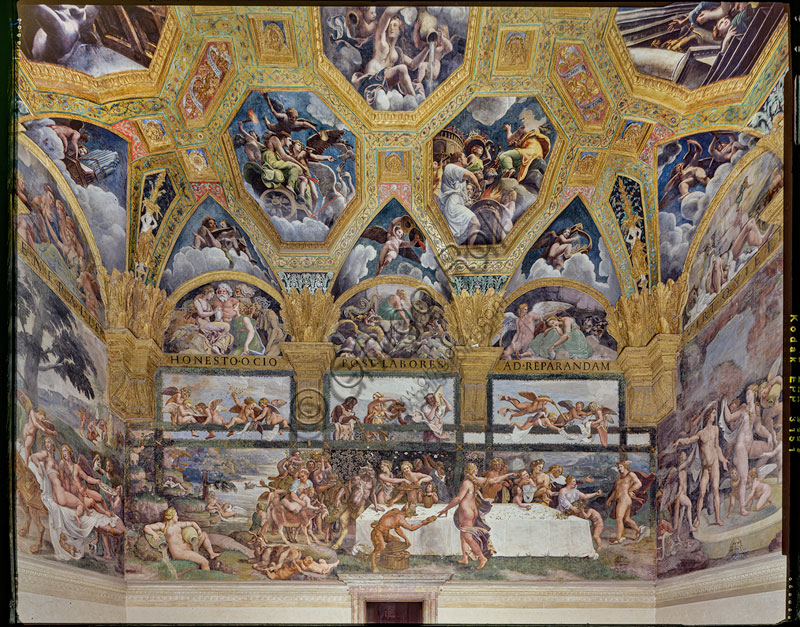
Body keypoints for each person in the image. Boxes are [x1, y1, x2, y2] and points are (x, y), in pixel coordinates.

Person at [437, 462, 517, 569]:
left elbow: (458, 499)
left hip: (466, 513)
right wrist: (508, 475)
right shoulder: (477, 481)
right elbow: (495, 480)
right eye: (476, 470)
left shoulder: (467, 483)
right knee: (463, 535)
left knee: (468, 537)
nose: (477, 471)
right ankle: (465, 558)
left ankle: (482, 557)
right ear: (474, 471)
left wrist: (445, 509)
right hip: (472, 511)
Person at [350, 7, 430, 103]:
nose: (391, 28)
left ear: (400, 31)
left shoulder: (397, 52)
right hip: (372, 79)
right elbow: (387, 14)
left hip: (384, 83)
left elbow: (413, 65)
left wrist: (427, 49)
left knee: (404, 71)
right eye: (390, 25)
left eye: (395, 25)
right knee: (402, 69)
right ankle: (414, 100)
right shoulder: (381, 42)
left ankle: (413, 102)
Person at [144, 508, 221, 571]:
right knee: (205, 562)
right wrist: (154, 534)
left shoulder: (178, 524)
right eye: (176, 515)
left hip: (188, 547)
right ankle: (205, 583)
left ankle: (211, 553)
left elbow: (193, 523)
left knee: (204, 534)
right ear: (171, 516)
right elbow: (146, 527)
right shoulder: (162, 526)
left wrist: (199, 530)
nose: (177, 517)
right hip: (179, 552)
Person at [369, 502, 437, 572]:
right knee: (381, 547)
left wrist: (405, 538)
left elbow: (397, 528)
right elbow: (411, 528)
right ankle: (373, 564)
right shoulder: (401, 519)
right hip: (377, 532)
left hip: (385, 533)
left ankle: (386, 557)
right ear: (408, 513)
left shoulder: (395, 510)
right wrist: (422, 523)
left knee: (397, 540)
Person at [438, 152, 481, 245]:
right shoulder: (451, 167)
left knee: (467, 230)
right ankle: (469, 250)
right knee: (475, 223)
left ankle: (467, 249)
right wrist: (478, 187)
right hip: (453, 205)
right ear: (459, 159)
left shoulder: (458, 174)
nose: (466, 159)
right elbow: (471, 175)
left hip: (457, 204)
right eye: (464, 157)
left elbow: (464, 197)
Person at [607, 460, 643, 544]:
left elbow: (639, 483)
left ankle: (618, 539)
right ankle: (639, 531)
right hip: (620, 500)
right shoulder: (619, 478)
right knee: (626, 519)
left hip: (625, 499)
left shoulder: (630, 475)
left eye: (621, 467)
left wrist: (630, 490)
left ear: (625, 467)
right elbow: (615, 491)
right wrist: (609, 499)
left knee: (619, 518)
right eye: (618, 467)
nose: (619, 469)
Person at [672, 449, 698, 539]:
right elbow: (689, 461)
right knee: (689, 505)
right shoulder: (680, 467)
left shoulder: (684, 468)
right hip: (680, 494)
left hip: (684, 494)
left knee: (681, 516)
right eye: (683, 455)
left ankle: (677, 536)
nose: (685, 456)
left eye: (685, 455)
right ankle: (691, 526)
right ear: (680, 458)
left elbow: (691, 469)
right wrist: (694, 449)